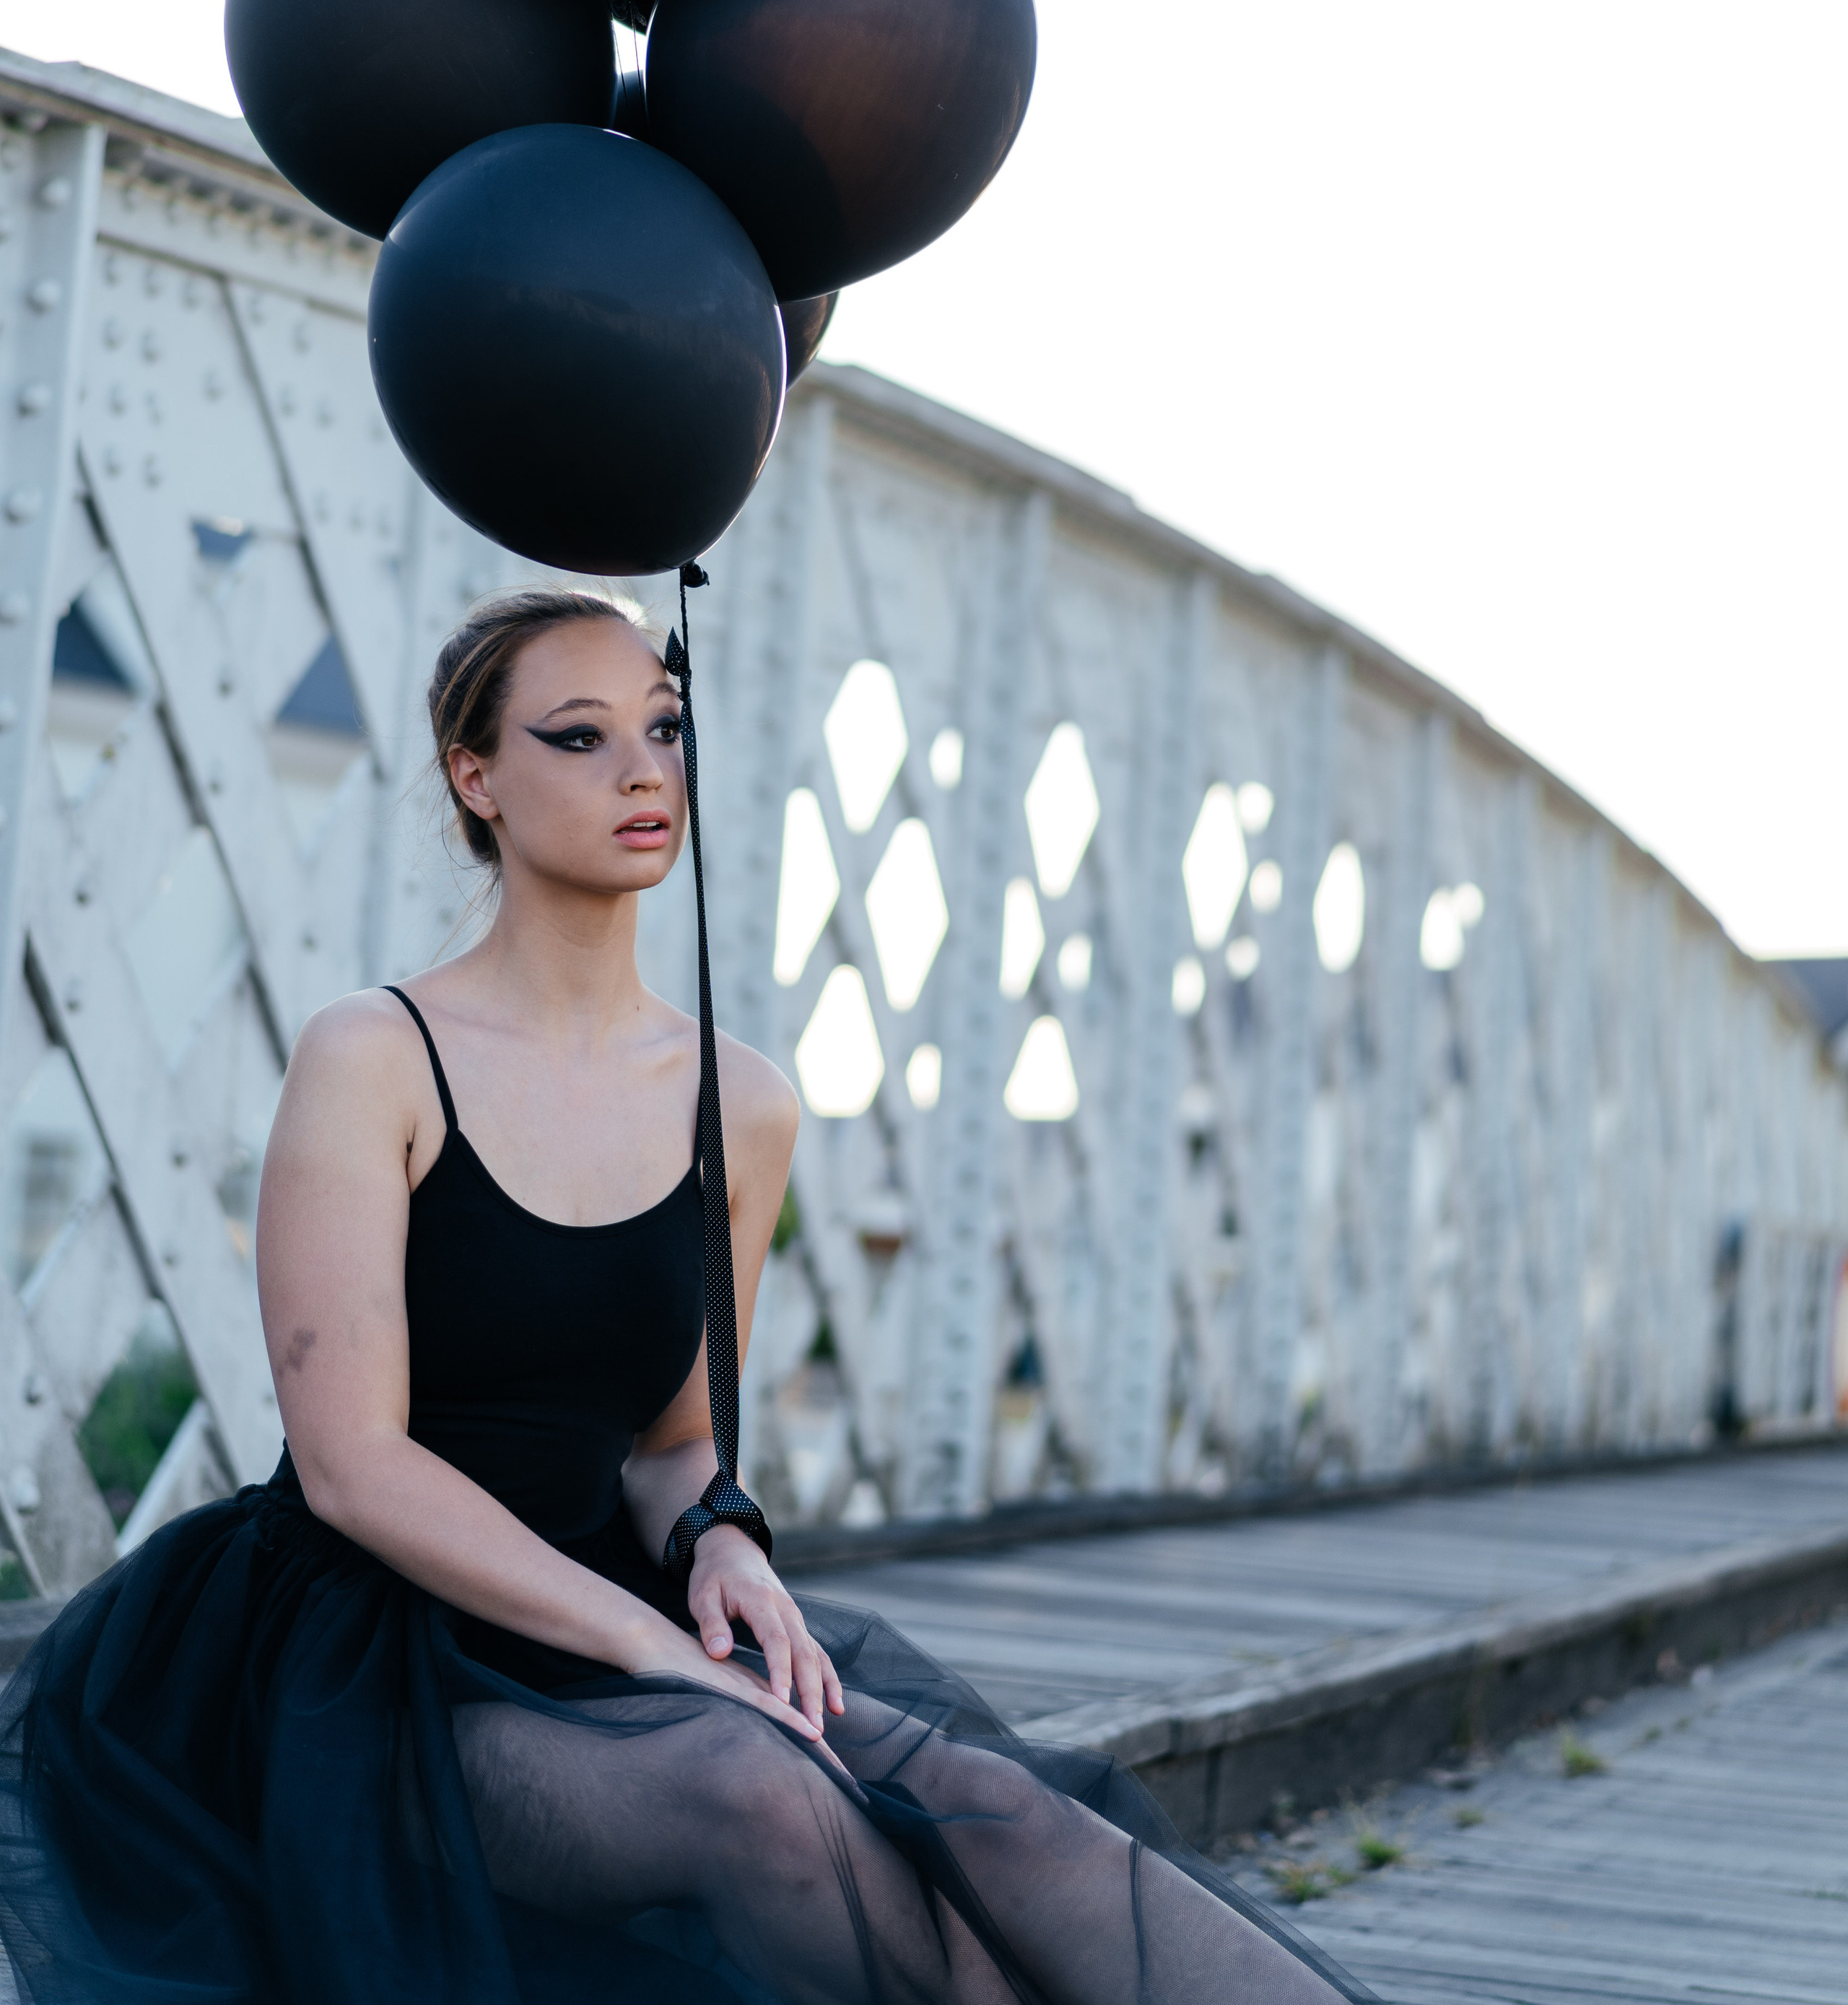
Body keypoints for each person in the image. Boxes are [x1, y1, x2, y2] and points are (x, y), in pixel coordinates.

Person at [0, 588, 1371, 2004]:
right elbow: (354, 1470)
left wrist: (721, 1543)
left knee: (996, 1813)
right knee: (765, 1799)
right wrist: (651, 1645)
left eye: (663, 726)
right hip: (363, 1660)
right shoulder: (374, 1057)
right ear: (476, 776)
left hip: (613, 1608)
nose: (645, 769)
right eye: (579, 737)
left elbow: (673, 1443)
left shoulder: (747, 1103)